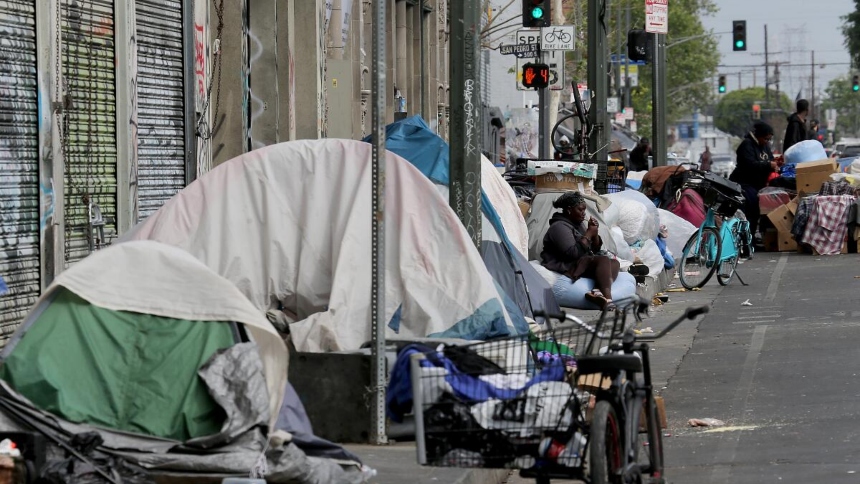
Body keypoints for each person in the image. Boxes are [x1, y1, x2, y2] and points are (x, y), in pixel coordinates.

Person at [540, 192, 620, 310]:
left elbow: (595, 249)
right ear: (569, 210)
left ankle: (596, 292)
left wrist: (595, 233)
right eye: (580, 210)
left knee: (614, 263)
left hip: (581, 260)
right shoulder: (558, 227)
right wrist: (588, 234)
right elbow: (572, 253)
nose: (584, 214)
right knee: (602, 260)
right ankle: (608, 299)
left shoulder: (578, 224)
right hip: (566, 264)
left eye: (584, 210)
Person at [729, 122, 779, 241]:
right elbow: (749, 165)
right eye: (766, 139)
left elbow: (770, 158)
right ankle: (746, 239)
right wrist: (768, 165)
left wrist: (774, 165)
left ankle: (752, 237)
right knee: (752, 205)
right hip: (744, 183)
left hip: (758, 184)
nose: (767, 142)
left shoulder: (765, 146)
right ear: (759, 136)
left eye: (769, 139)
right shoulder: (747, 145)